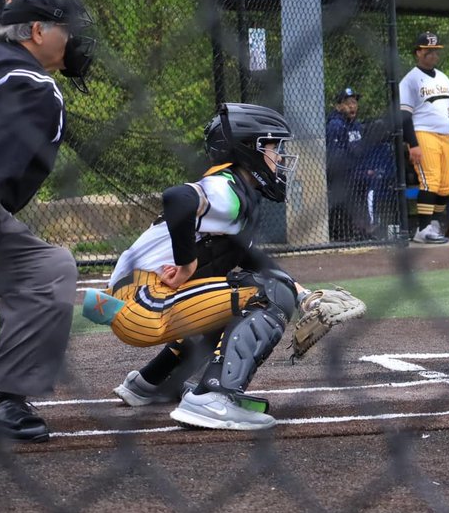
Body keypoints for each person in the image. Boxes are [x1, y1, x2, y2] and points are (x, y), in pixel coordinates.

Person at [81, 103, 364, 431]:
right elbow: (178, 198)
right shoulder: (226, 187)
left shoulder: (239, 197)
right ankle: (213, 398)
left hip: (140, 300)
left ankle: (152, 382)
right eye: (273, 147)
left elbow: (252, 259)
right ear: (249, 149)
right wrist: (186, 265)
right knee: (267, 296)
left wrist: (305, 298)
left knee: (246, 291)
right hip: (143, 300)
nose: (279, 158)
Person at [0, 0, 97, 443]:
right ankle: (3, 398)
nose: (73, 39)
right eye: (65, 29)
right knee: (46, 271)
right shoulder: (29, 84)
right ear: (35, 30)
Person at [400, 31, 449, 244]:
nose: (433, 55)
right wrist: (413, 144)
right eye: (428, 51)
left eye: (436, 51)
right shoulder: (410, 79)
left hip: (445, 135)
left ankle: (434, 224)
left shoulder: (443, 77)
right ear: (418, 52)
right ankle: (422, 228)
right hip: (423, 133)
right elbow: (404, 115)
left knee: (446, 184)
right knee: (430, 181)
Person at [325, 86, 368, 240]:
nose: (352, 106)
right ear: (338, 106)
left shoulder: (355, 125)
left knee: (359, 205)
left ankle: (359, 233)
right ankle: (342, 235)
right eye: (348, 103)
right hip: (343, 177)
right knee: (343, 206)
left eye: (354, 103)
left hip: (357, 174)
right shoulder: (335, 125)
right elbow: (336, 155)